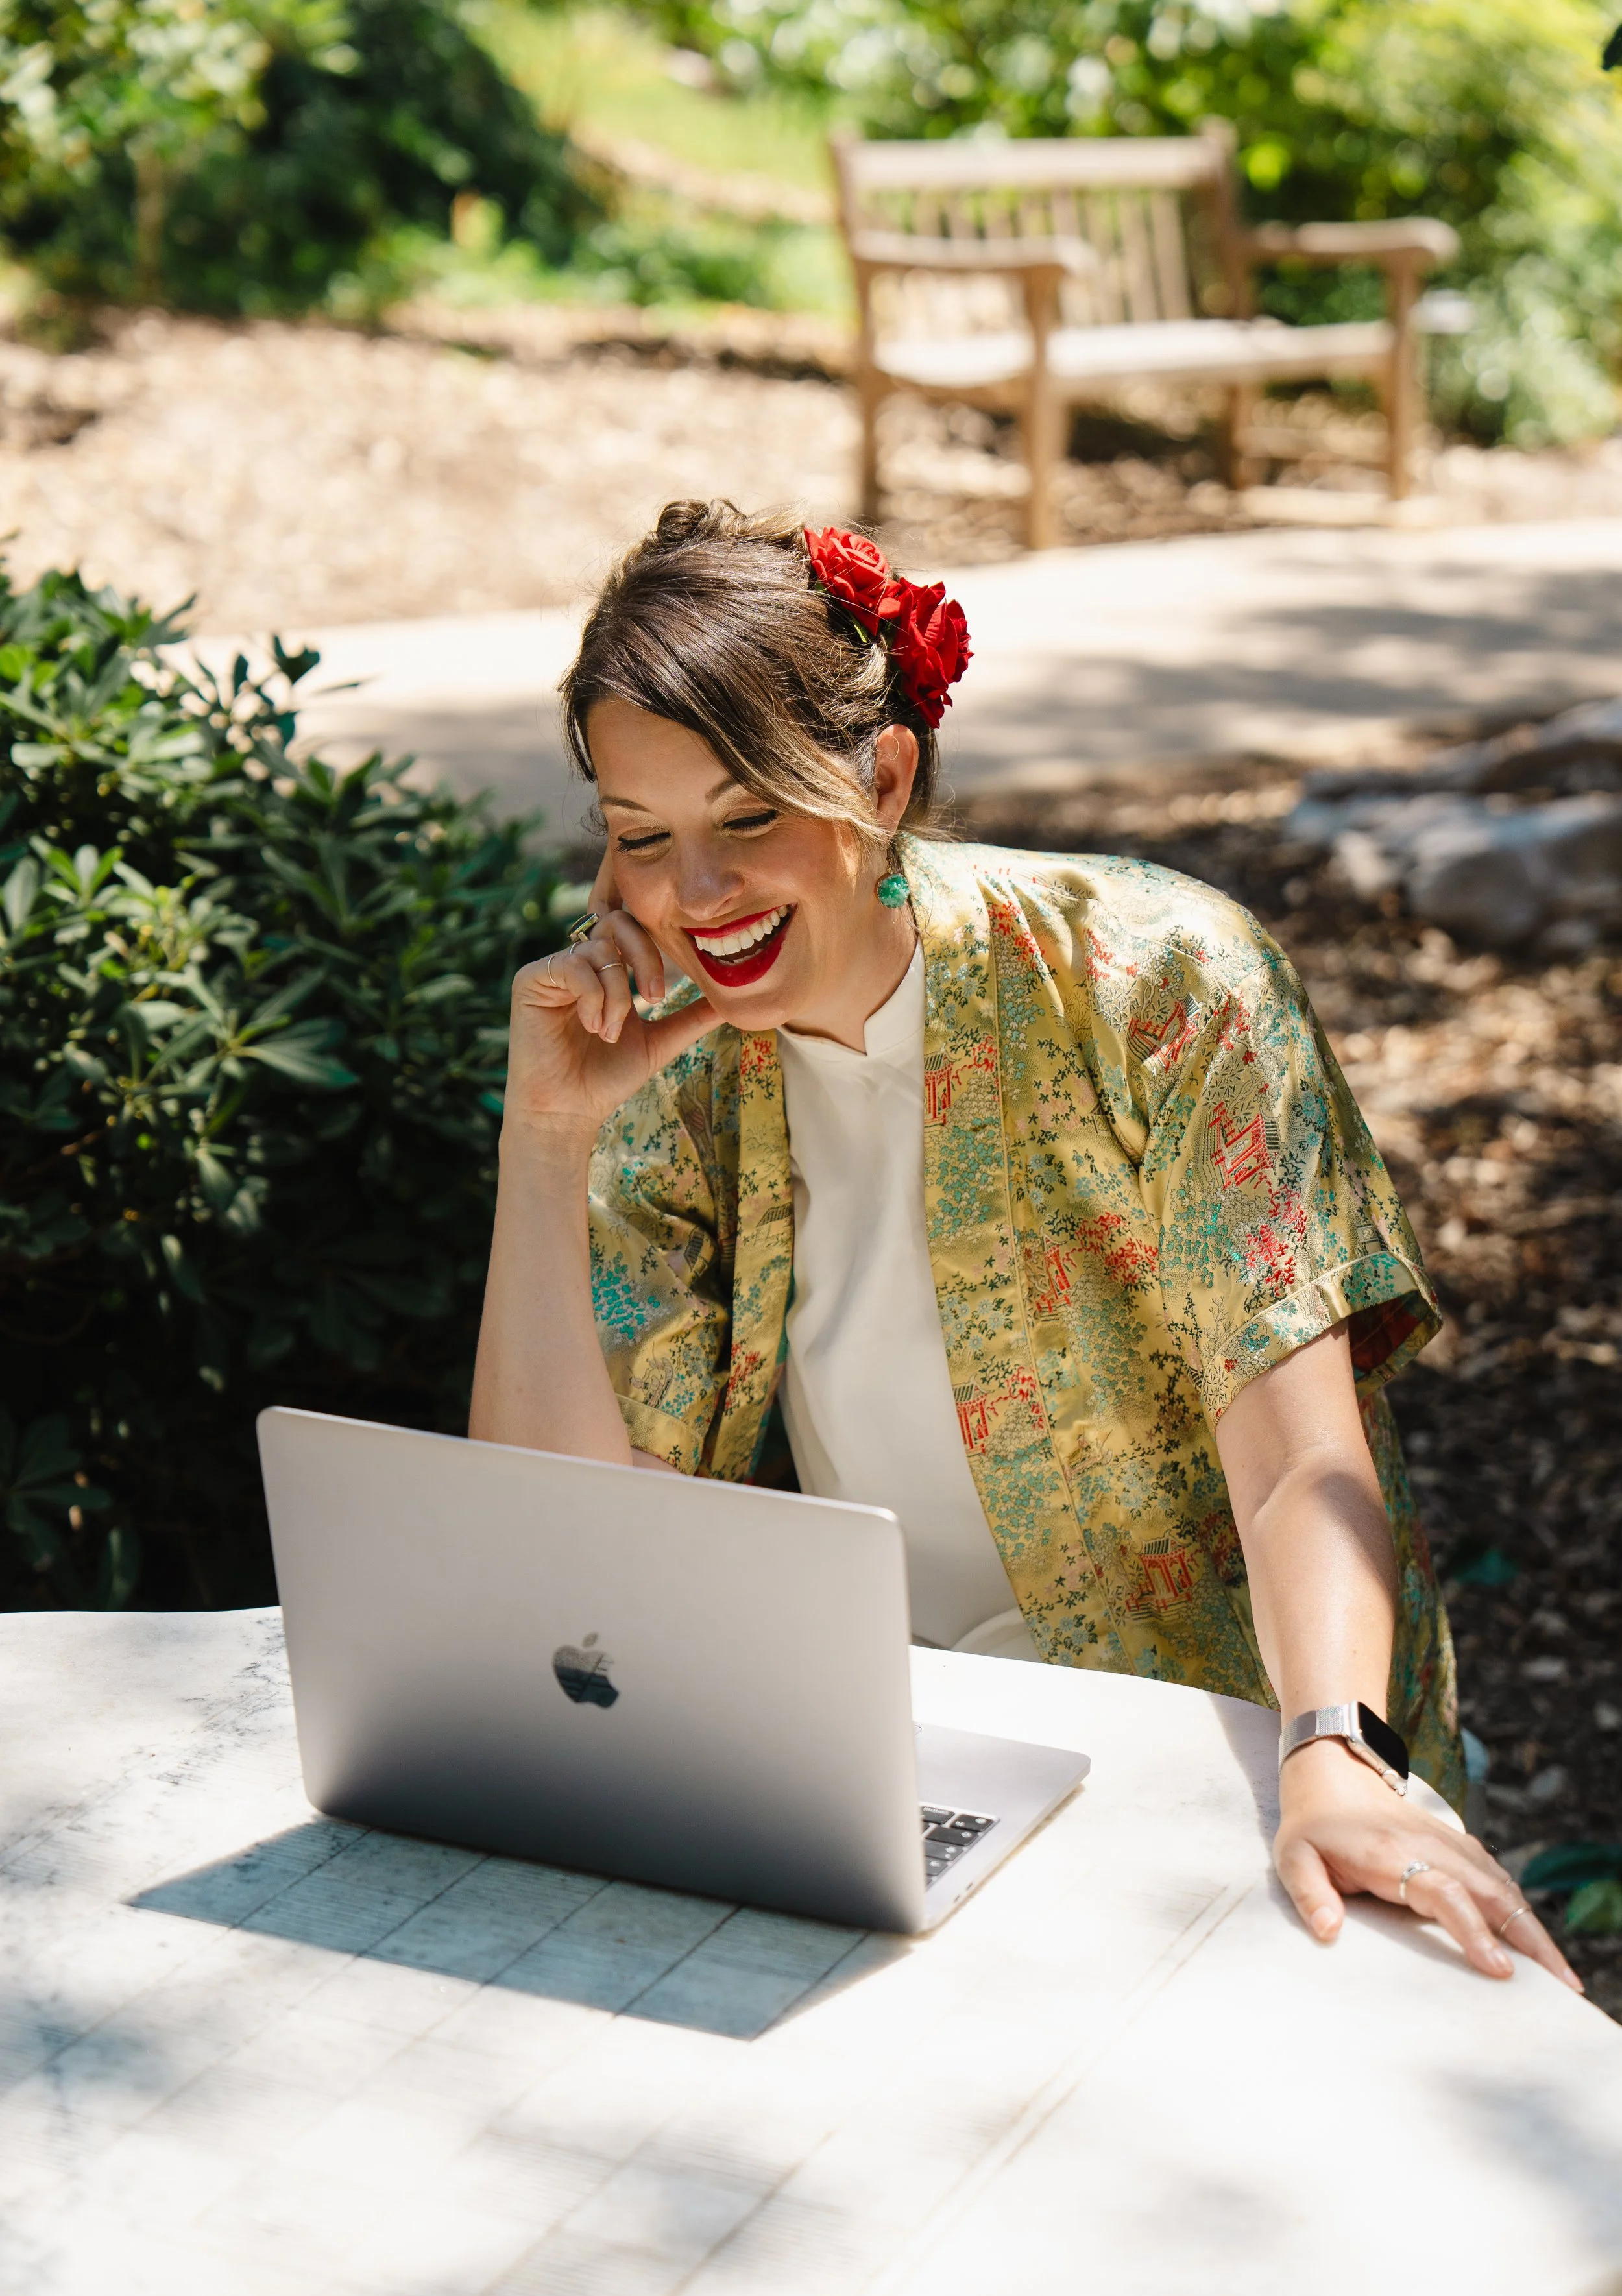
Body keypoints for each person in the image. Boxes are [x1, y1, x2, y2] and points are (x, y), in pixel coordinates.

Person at [471, 500, 1577, 1994]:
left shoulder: (1154, 981)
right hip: (888, 1779)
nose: (696, 900)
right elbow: (568, 1547)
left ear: (884, 773)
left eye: (748, 819)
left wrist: (1335, 1758)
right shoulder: (668, 1078)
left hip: (1227, 1757)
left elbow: (1297, 1457)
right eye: (638, 842)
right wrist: (542, 1144)